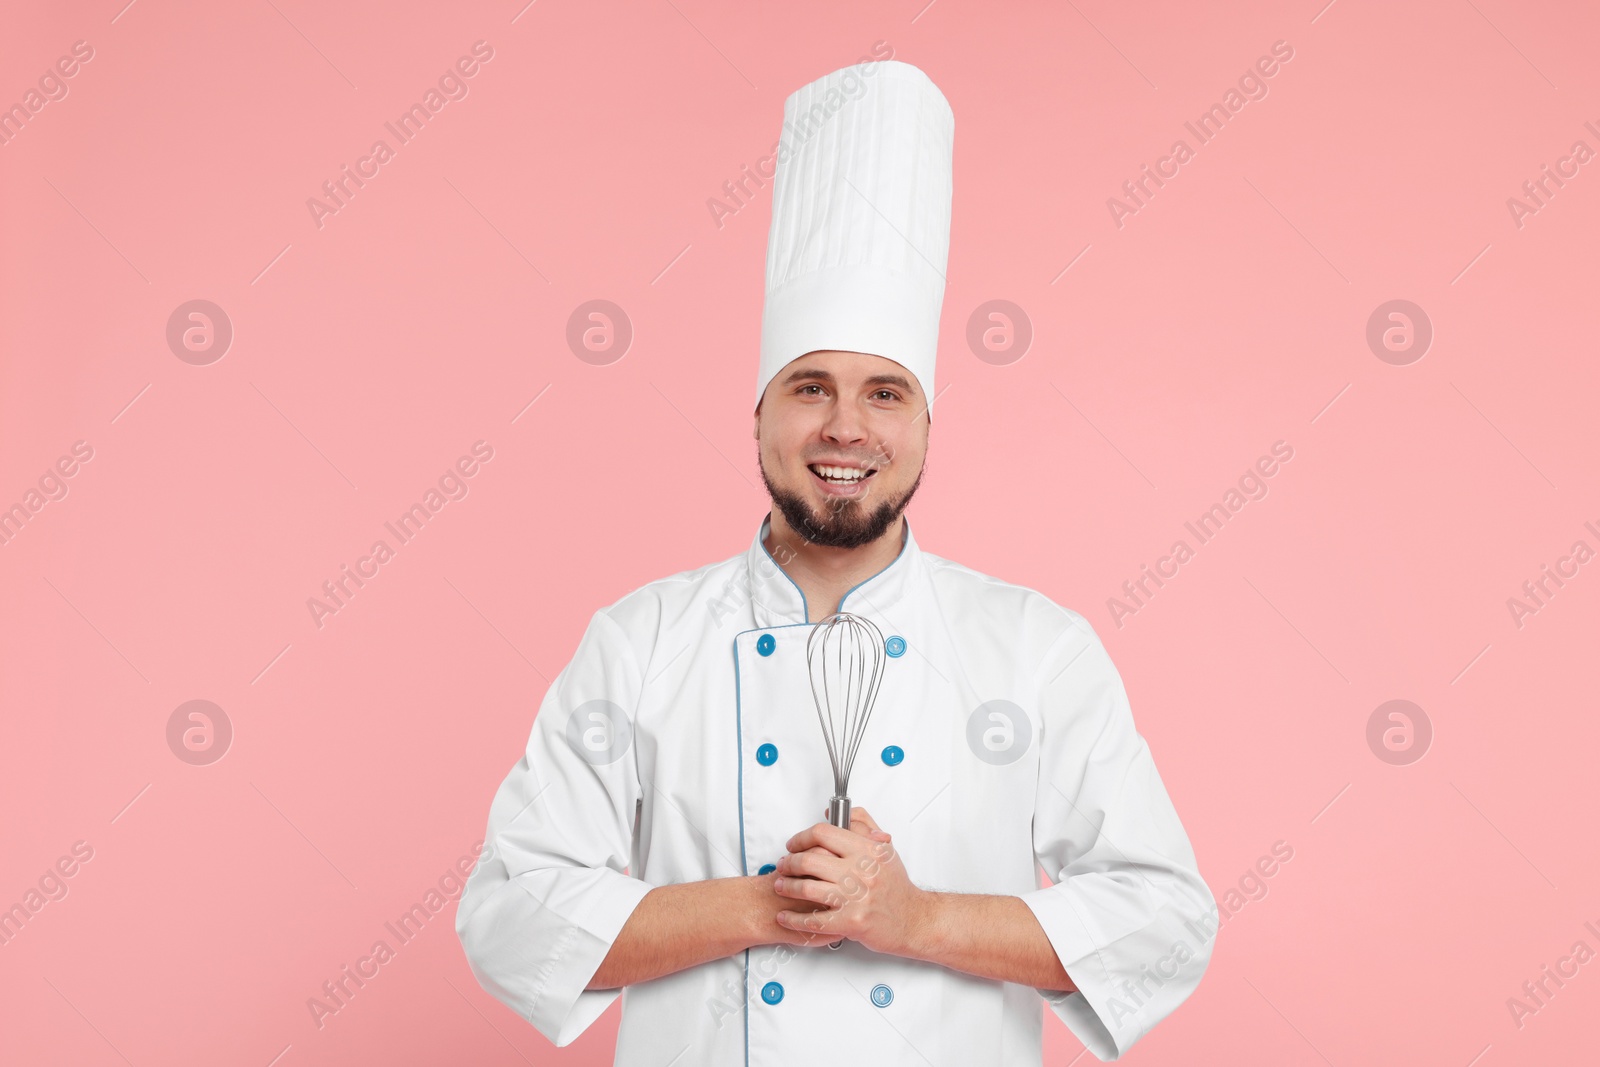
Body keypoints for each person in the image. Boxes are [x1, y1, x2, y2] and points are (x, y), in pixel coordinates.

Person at [456, 58, 1216, 1064]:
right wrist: (768, 903)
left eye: (885, 393)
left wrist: (912, 918)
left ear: (928, 423)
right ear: (759, 415)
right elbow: (510, 912)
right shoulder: (639, 639)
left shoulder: (1034, 648)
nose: (846, 428)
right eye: (810, 387)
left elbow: (1162, 919)